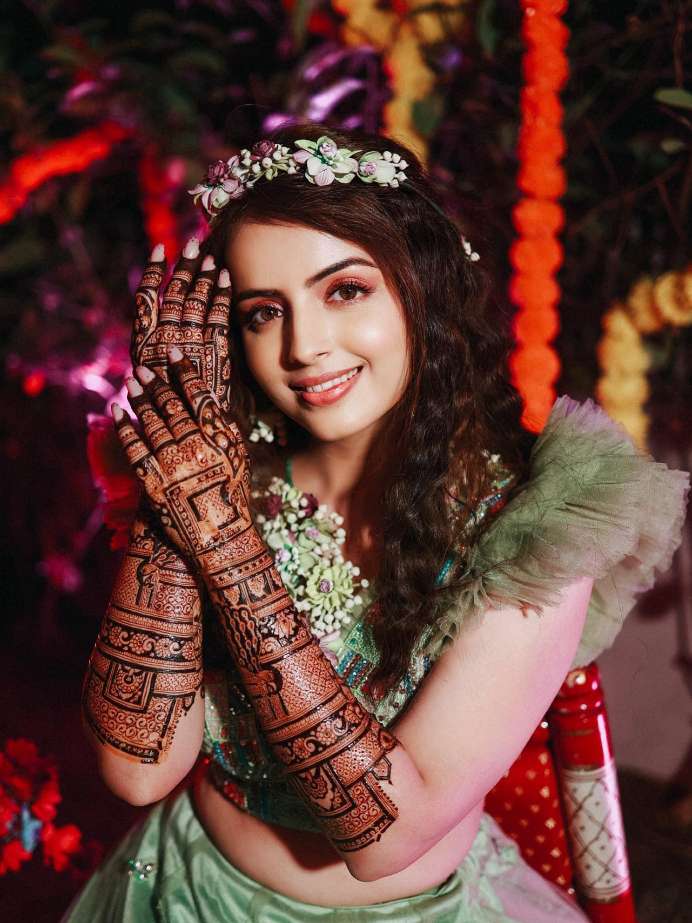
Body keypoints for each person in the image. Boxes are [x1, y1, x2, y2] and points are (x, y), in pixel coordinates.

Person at [64, 123, 689, 922]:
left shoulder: (528, 522)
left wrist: (222, 539)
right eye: (263, 312)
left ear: (417, 287)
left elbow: (386, 837)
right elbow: (139, 772)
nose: (304, 346)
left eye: (344, 290)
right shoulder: (220, 468)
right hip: (183, 887)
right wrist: (178, 483)